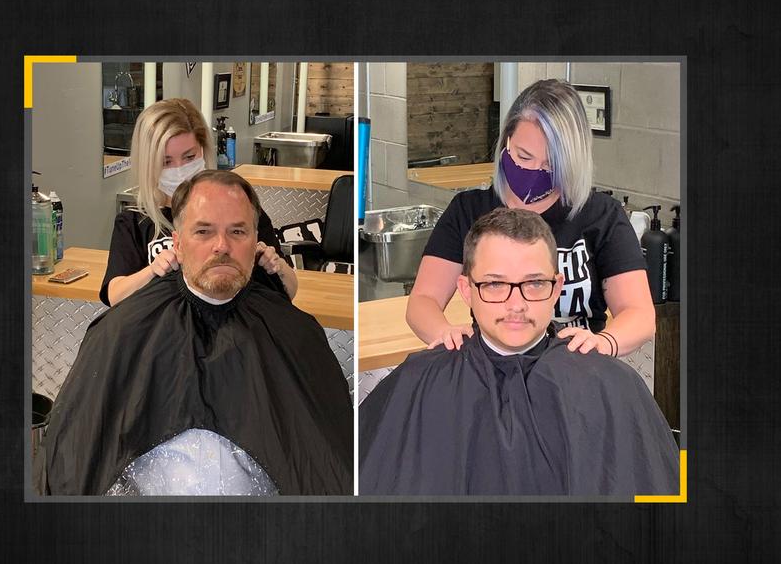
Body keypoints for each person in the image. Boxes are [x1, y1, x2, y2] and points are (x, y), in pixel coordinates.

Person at [34, 170, 352, 496]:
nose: (222, 246)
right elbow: (74, 459)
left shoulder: (293, 334)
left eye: (238, 232)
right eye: (203, 231)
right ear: (178, 244)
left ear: (256, 241)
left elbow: (325, 464)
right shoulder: (124, 331)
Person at [360, 208, 678, 496]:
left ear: (556, 288)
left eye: (534, 283)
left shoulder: (612, 386)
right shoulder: (419, 382)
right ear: (467, 290)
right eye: (495, 284)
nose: (516, 305)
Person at [406, 79, 654, 357]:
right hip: (492, 373)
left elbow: (640, 314)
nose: (535, 170)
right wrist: (443, 333)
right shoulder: (468, 210)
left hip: (574, 375)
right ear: (507, 142)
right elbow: (422, 301)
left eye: (551, 165)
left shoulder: (601, 215)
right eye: (524, 156)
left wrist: (604, 343)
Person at [99, 98, 297, 307]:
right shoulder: (134, 223)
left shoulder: (241, 212)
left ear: (203, 150)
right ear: (149, 163)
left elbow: (290, 292)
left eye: (189, 157)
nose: (180, 169)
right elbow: (114, 296)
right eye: (166, 162)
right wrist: (153, 270)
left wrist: (277, 266)